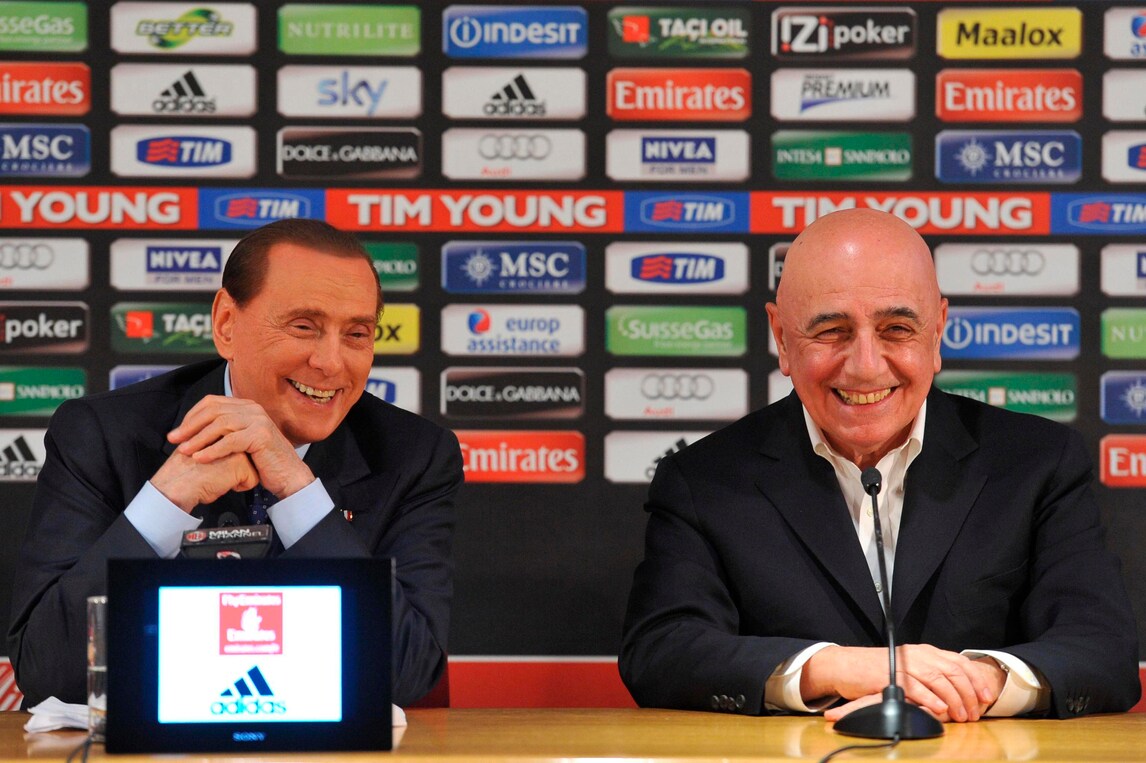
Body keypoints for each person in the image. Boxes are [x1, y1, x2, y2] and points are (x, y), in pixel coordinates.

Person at [620, 208, 1140, 722]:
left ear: (937, 331)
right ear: (781, 338)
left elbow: (1103, 650)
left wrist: (976, 683)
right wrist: (834, 669)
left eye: (896, 328)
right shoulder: (703, 481)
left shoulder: (1037, 462)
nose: (866, 367)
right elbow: (661, 650)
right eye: (832, 330)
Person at [8, 219, 462, 708]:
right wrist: (164, 502)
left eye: (356, 334)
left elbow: (407, 674)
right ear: (226, 323)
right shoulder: (102, 434)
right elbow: (47, 672)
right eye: (304, 327)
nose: (332, 363)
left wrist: (299, 491)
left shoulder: (414, 454)